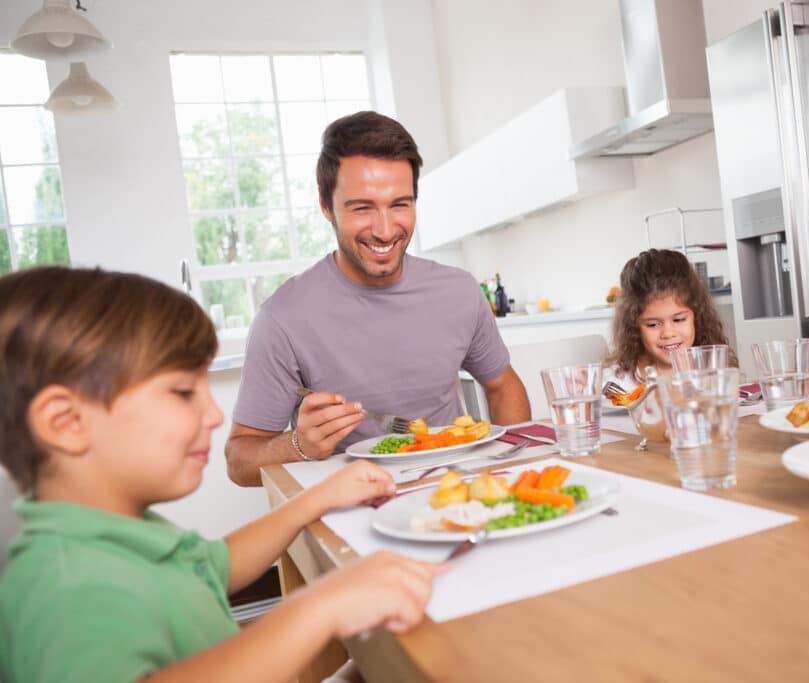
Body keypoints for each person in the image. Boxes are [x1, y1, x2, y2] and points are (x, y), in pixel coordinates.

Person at [0, 266, 447, 683]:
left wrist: (319, 497)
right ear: (66, 422)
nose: (213, 415)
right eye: (181, 392)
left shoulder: (120, 536)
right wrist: (318, 608)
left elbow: (215, 566)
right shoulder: (67, 590)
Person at [226, 111, 530, 486]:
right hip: (353, 507)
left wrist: (511, 472)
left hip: (458, 490)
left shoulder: (459, 292)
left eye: (400, 204)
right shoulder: (283, 319)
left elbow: (503, 386)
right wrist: (298, 445)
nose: (386, 230)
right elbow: (239, 461)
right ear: (326, 207)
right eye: (362, 208)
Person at [606, 249, 736, 390]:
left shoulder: (715, 367)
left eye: (679, 320)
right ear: (633, 326)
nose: (668, 333)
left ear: (697, 317)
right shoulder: (618, 381)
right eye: (653, 324)